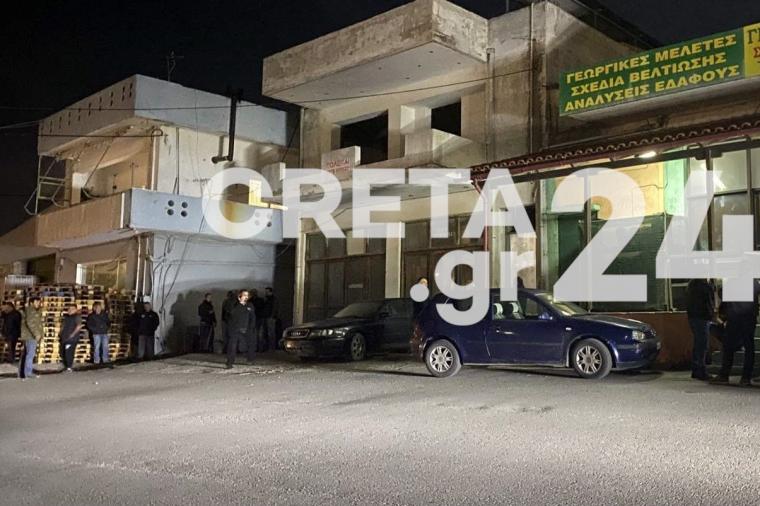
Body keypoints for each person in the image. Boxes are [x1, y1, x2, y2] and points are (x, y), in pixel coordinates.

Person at [713, 288, 758, 387]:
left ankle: (724, 375)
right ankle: (745, 378)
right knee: (749, 347)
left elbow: (723, 294)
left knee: (728, 345)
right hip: (748, 316)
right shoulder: (752, 282)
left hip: (735, 316)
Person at [686, 279, 715, 381]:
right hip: (702, 317)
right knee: (702, 345)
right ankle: (700, 370)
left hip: (695, 317)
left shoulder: (692, 285)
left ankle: (696, 369)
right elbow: (708, 302)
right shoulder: (702, 286)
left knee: (698, 344)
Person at [225, 290, 256, 369]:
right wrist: (240, 304)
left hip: (246, 328)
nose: (246, 297)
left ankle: (250, 359)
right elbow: (230, 315)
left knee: (250, 344)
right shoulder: (234, 305)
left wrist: (251, 327)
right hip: (235, 329)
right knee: (232, 346)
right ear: (239, 297)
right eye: (244, 295)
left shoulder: (250, 305)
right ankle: (230, 363)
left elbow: (252, 317)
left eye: (247, 295)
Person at [19, 297, 43, 379]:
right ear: (31, 303)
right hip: (30, 336)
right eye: (36, 302)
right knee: (30, 354)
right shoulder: (30, 310)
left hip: (30, 335)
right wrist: (37, 334)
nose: (38, 303)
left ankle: (25, 372)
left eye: (38, 302)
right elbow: (30, 323)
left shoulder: (33, 310)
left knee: (29, 354)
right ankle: (28, 373)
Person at [59, 305, 83, 372]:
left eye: (72, 309)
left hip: (71, 339)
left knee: (69, 353)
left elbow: (79, 326)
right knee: (63, 352)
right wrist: (60, 333)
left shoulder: (77, 317)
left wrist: (72, 334)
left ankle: (69, 367)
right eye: (69, 309)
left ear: (75, 310)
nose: (70, 310)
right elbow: (63, 326)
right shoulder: (67, 317)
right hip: (65, 338)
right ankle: (67, 366)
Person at [87, 302, 111, 366]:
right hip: (96, 334)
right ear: (94, 308)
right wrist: (95, 330)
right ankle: (96, 360)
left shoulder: (104, 314)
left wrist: (106, 328)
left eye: (99, 307)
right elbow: (89, 325)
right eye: (97, 307)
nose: (98, 309)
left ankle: (105, 359)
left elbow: (108, 322)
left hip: (104, 333)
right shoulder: (91, 316)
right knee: (97, 347)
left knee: (105, 347)